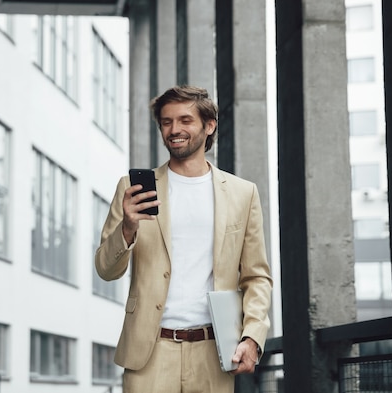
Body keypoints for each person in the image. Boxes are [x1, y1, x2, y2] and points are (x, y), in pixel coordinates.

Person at [95, 85, 272, 393]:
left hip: (213, 352)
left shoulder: (243, 193)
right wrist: (127, 228)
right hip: (149, 353)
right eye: (166, 122)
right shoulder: (132, 188)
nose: (174, 129)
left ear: (209, 125)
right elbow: (106, 270)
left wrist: (252, 335)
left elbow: (257, 277)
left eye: (185, 120)